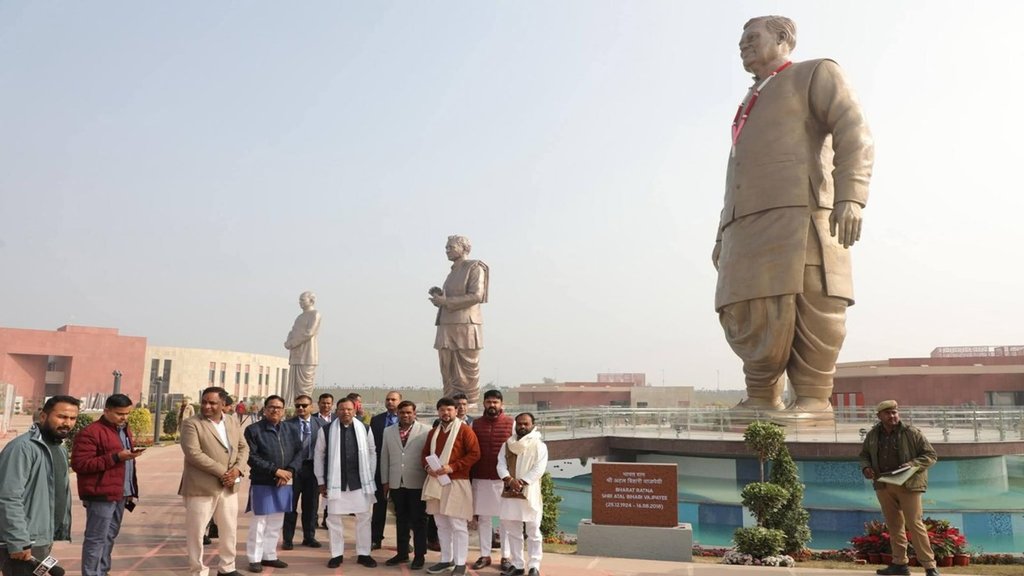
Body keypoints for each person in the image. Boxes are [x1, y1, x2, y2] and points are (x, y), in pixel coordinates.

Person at [712, 15, 873, 416]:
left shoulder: (815, 73)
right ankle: (761, 395)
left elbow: (853, 129)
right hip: (746, 226)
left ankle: (814, 399)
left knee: (812, 300)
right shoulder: (750, 101)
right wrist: (722, 234)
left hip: (801, 213)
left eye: (752, 37)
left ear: (783, 38)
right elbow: (737, 174)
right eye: (741, 39)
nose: (743, 45)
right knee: (749, 306)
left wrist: (850, 196)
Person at [0, 395, 79, 576]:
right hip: (23, 541)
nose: (67, 423)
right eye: (61, 417)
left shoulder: (59, 448)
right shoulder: (22, 448)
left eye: (72, 418)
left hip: (42, 538)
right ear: (43, 416)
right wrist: (18, 540)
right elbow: (8, 496)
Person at [859, 400, 940, 576]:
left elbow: (931, 455)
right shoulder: (873, 435)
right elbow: (864, 454)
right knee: (894, 525)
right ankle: (899, 564)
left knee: (915, 524)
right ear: (879, 416)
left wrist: (912, 464)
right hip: (883, 484)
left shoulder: (911, 432)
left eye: (895, 412)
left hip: (909, 485)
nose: (892, 416)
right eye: (888, 413)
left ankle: (930, 567)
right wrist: (866, 467)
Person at [179, 387, 250, 576]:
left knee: (229, 529)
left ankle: (227, 568)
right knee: (197, 532)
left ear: (223, 405)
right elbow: (193, 454)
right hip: (201, 487)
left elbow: (243, 447)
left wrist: (237, 470)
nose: (207, 406)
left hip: (229, 486)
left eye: (212, 403)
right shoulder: (192, 424)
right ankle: (198, 570)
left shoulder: (232, 421)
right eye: (204, 402)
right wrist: (224, 472)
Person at [70, 394, 141, 576]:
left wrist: (130, 489)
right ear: (106, 410)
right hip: (101, 494)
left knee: (109, 537)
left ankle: (102, 571)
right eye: (119, 414)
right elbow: (80, 464)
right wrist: (116, 457)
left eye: (127, 414)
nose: (124, 418)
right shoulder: (91, 432)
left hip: (120, 493)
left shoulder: (124, 430)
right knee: (96, 538)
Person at [314, 397, 378, 569]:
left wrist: (369, 476)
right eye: (342, 409)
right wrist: (321, 481)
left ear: (355, 410)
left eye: (349, 409)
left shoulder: (365, 428)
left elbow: (372, 453)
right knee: (333, 519)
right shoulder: (326, 430)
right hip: (336, 482)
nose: (346, 412)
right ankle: (336, 554)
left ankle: (364, 553)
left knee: (364, 518)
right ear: (337, 411)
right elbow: (319, 456)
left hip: (359, 482)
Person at [421, 397, 481, 576]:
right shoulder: (433, 432)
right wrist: (427, 468)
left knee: (458, 524)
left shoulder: (464, 430)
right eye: (442, 410)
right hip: (436, 482)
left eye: (449, 410)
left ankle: (460, 563)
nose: (445, 413)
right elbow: (424, 454)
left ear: (456, 411)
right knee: (441, 524)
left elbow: (475, 454)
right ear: (438, 412)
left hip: (457, 481)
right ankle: (446, 559)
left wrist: (452, 467)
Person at [243, 395, 303, 573]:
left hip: (285, 482)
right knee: (259, 522)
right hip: (263, 482)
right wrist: (275, 471)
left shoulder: (291, 429)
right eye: (271, 407)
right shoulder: (253, 430)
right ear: (265, 409)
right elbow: (251, 457)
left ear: (283, 410)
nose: (275, 410)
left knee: (277, 521)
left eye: (278, 407)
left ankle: (269, 555)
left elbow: (300, 452)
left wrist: (289, 471)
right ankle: (254, 558)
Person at [429, 234, 489, 406]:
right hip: (446, 324)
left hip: (466, 324)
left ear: (463, 248)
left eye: (451, 247)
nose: (447, 250)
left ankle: (467, 405)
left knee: (466, 366)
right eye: (446, 247)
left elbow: (476, 295)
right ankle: (449, 403)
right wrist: (440, 298)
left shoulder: (475, 267)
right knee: (447, 367)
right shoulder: (453, 271)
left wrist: (446, 302)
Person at [380, 400, 430, 569]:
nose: (405, 415)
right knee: (401, 519)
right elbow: (384, 457)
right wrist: (385, 481)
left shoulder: (425, 431)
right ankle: (402, 553)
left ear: (414, 413)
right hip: (396, 482)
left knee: (419, 521)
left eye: (409, 412)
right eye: (402, 413)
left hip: (417, 483)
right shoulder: (388, 432)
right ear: (398, 414)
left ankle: (419, 555)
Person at [497, 413, 548, 576]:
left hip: (529, 493)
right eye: (519, 424)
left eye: (526, 424)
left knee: (533, 531)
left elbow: (539, 469)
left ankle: (534, 566)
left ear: (533, 425)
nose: (522, 427)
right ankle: (518, 565)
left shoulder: (539, 445)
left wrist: (521, 482)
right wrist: (510, 480)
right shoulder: (507, 444)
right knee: (513, 530)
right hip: (510, 492)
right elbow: (500, 464)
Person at [470, 390, 513, 572]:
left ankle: (506, 556)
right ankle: (485, 554)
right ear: (484, 404)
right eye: (488, 402)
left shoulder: (511, 424)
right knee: (484, 519)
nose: (492, 405)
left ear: (501, 404)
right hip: (481, 477)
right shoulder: (476, 424)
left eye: (495, 402)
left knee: (505, 519)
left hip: (503, 480)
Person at [282, 394, 325, 550]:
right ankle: (288, 539)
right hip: (293, 469)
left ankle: (309, 537)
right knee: (290, 505)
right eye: (298, 405)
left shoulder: (320, 424)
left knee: (311, 505)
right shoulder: (287, 425)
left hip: (313, 469)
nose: (301, 408)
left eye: (304, 405)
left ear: (311, 407)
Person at [369, 391, 402, 549]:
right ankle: (376, 538)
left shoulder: (407, 419)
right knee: (379, 505)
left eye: (393, 399)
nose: (390, 402)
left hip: (400, 469)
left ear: (400, 401)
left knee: (401, 508)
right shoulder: (377, 420)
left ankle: (403, 542)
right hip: (380, 469)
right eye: (388, 399)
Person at [284, 291, 322, 404]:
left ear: (311, 300)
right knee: (294, 386)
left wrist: (293, 343)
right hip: (296, 353)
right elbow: (293, 331)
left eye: (302, 299)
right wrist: (288, 341)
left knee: (304, 386)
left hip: (307, 353)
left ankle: (304, 406)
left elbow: (309, 332)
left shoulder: (315, 314)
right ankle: (292, 406)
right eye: (299, 300)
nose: (300, 302)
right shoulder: (299, 317)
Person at [314, 392, 334, 529]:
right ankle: (312, 519)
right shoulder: (312, 419)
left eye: (328, 403)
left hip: (333, 462)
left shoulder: (337, 419)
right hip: (316, 460)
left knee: (331, 494)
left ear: (332, 405)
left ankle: (327, 520)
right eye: (323, 403)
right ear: (318, 403)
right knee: (315, 494)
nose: (326, 405)